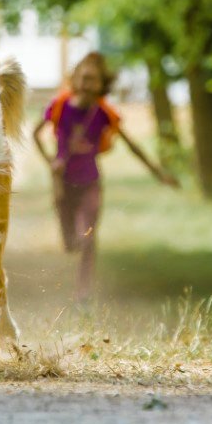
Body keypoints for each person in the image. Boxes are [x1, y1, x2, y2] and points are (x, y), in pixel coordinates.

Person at [33, 52, 178, 301]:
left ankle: (83, 292)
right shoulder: (59, 106)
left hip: (91, 183)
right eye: (84, 78)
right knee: (71, 244)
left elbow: (132, 146)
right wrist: (50, 162)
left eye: (94, 79)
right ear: (75, 79)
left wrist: (158, 173)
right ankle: (76, 256)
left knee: (87, 237)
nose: (88, 83)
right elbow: (35, 134)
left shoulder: (104, 113)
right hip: (62, 186)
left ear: (102, 84)